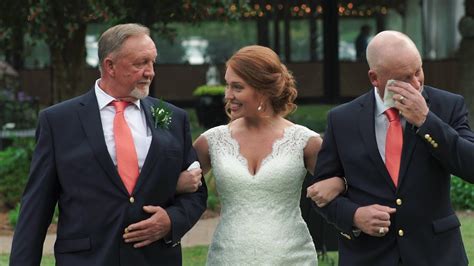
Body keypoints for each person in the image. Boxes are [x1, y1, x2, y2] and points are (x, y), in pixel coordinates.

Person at [10, 23, 207, 266]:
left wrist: (171, 220)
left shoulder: (170, 117)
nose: (150, 72)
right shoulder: (58, 121)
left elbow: (197, 192)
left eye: (152, 62)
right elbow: (36, 208)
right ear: (109, 66)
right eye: (140, 63)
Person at [309, 30, 474, 265]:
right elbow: (322, 194)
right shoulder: (342, 119)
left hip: (436, 255)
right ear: (375, 78)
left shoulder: (448, 106)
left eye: (418, 71)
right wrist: (354, 216)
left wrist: (427, 121)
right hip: (369, 257)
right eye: (405, 78)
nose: (417, 84)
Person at [180, 45, 346, 265]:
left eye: (237, 87)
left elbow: (352, 184)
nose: (228, 96)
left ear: (264, 90)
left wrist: (341, 182)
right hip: (228, 257)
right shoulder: (212, 140)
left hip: (292, 258)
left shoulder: (305, 141)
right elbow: (173, 189)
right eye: (227, 86)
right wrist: (177, 184)